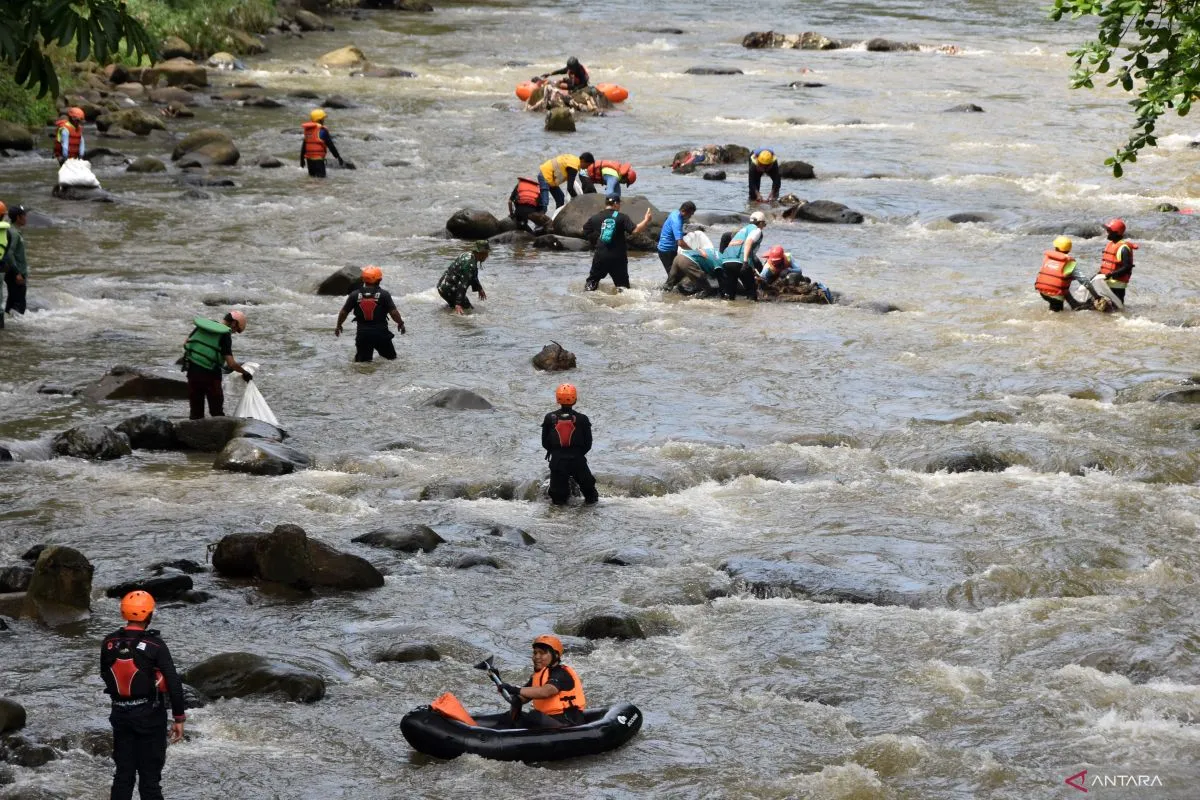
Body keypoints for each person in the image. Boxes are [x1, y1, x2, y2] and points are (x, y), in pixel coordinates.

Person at [101, 591, 186, 800]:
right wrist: (179, 718)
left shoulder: (109, 642)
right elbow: (173, 682)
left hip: (120, 715)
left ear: (123, 613)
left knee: (123, 776)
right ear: (149, 615)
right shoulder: (156, 645)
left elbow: (105, 674)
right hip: (150, 717)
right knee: (150, 780)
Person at [181, 311, 252, 420]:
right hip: (211, 376)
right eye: (236, 330)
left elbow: (186, 343)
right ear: (234, 323)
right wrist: (245, 373)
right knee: (217, 413)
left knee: (196, 413)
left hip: (192, 372)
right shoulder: (225, 334)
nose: (234, 332)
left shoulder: (205, 326)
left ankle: (193, 430)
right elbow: (231, 363)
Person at [541, 383, 598, 505]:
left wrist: (557, 453)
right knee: (591, 495)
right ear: (575, 399)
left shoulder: (549, 418)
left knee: (558, 500)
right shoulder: (583, 419)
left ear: (557, 399)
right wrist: (577, 455)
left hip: (557, 462)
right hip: (578, 461)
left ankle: (560, 516)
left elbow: (544, 443)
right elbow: (588, 444)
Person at [335, 265, 406, 361]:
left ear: (363, 279)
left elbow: (344, 312)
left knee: (362, 364)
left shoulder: (354, 295)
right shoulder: (384, 294)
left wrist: (339, 325)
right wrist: (400, 323)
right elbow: (394, 313)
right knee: (391, 360)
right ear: (379, 280)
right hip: (381, 334)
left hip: (363, 335)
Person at [582, 194, 652, 291]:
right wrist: (646, 220)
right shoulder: (621, 217)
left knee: (592, 282)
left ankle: (586, 297)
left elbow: (585, 229)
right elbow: (635, 230)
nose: (620, 206)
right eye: (619, 203)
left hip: (601, 255)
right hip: (618, 257)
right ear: (615, 203)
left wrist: (596, 241)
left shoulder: (595, 217)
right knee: (623, 287)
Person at [718, 210, 767, 300]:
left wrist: (752, 267)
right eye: (764, 224)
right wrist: (745, 262)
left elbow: (731, 244)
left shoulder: (742, 230)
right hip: (740, 261)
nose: (764, 226)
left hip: (726, 261)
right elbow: (748, 242)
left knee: (730, 292)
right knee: (751, 291)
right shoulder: (757, 230)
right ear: (760, 223)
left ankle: (729, 306)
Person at [1034, 236, 1085, 312]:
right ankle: (1074, 305)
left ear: (1056, 248)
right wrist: (1096, 296)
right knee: (1057, 315)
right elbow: (1084, 281)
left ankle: (1074, 304)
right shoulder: (1069, 263)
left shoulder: (1049, 258)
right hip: (1056, 296)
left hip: (1042, 291)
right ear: (1069, 250)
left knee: (1062, 283)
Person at [437, 240, 489, 314]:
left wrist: (479, 288)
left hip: (443, 285)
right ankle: (448, 315)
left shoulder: (468, 255)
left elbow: (472, 275)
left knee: (465, 307)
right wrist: (458, 303)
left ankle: (446, 311)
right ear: (479, 253)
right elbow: (463, 284)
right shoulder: (469, 264)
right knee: (467, 310)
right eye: (485, 253)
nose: (487, 256)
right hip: (448, 288)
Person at [664, 230, 721, 295]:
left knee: (669, 284)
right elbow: (717, 274)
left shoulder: (714, 252)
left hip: (678, 258)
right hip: (687, 261)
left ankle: (661, 294)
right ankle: (702, 296)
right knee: (707, 288)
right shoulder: (719, 261)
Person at [1097, 218, 1137, 304]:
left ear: (1116, 233)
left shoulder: (1124, 248)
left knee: (1116, 308)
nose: (1106, 232)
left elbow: (1127, 267)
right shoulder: (1111, 244)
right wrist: (1099, 273)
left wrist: (1111, 274)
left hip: (1117, 286)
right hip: (1108, 283)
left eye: (1109, 231)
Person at [1, 203, 28, 321]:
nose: (26, 217)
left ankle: (8, 324)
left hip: (12, 271)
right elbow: (9, 254)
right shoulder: (14, 233)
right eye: (24, 215)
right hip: (15, 273)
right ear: (18, 217)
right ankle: (16, 328)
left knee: (11, 302)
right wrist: (17, 273)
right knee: (19, 305)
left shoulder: (13, 231)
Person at [300, 109, 344, 178]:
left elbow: (304, 146)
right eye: (323, 119)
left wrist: (302, 159)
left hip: (309, 161)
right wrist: (338, 157)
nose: (324, 120)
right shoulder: (322, 131)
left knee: (312, 180)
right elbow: (330, 145)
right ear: (320, 120)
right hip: (318, 160)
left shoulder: (308, 130)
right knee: (321, 181)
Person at [656, 201, 696, 275]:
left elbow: (672, 230)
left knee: (676, 273)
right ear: (684, 211)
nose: (690, 217)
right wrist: (693, 251)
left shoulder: (675, 212)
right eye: (690, 214)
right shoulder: (677, 222)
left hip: (667, 248)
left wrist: (684, 234)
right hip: (667, 251)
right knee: (673, 275)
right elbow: (680, 243)